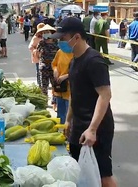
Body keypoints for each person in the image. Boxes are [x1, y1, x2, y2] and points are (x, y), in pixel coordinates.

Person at [50, 17, 117, 187]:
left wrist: (93, 130)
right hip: (79, 126)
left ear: (77, 37)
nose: (60, 43)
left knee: (103, 176)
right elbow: (75, 93)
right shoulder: (74, 60)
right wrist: (68, 121)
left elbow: (105, 95)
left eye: (63, 39)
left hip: (97, 128)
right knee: (81, 172)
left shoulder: (94, 60)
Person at [36, 24, 59, 111]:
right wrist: (41, 60)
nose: (46, 34)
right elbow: (37, 54)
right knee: (44, 87)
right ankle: (44, 103)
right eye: (44, 32)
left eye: (47, 32)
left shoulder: (56, 42)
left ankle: (55, 104)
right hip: (44, 68)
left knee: (55, 87)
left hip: (54, 68)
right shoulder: (41, 43)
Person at [52, 49, 73, 124]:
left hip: (69, 91)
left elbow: (80, 70)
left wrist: (67, 76)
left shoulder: (76, 54)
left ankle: (68, 132)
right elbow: (54, 64)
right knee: (60, 114)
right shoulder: (60, 52)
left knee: (68, 116)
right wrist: (55, 70)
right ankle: (61, 131)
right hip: (59, 89)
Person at [28, 23, 45, 88]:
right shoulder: (35, 37)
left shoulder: (46, 36)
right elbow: (30, 47)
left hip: (46, 57)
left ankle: (44, 83)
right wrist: (36, 51)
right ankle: (40, 84)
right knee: (39, 71)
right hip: (38, 58)